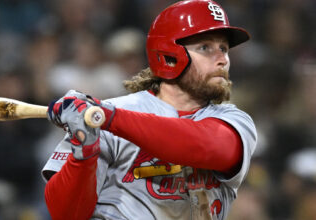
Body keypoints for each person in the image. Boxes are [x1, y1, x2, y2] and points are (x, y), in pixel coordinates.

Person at [41, 0, 257, 219]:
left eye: (224, 49)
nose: (222, 60)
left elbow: (203, 145)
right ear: (169, 56)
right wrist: (84, 152)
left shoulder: (234, 121)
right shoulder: (112, 113)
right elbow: (66, 214)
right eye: (205, 48)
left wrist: (108, 118)